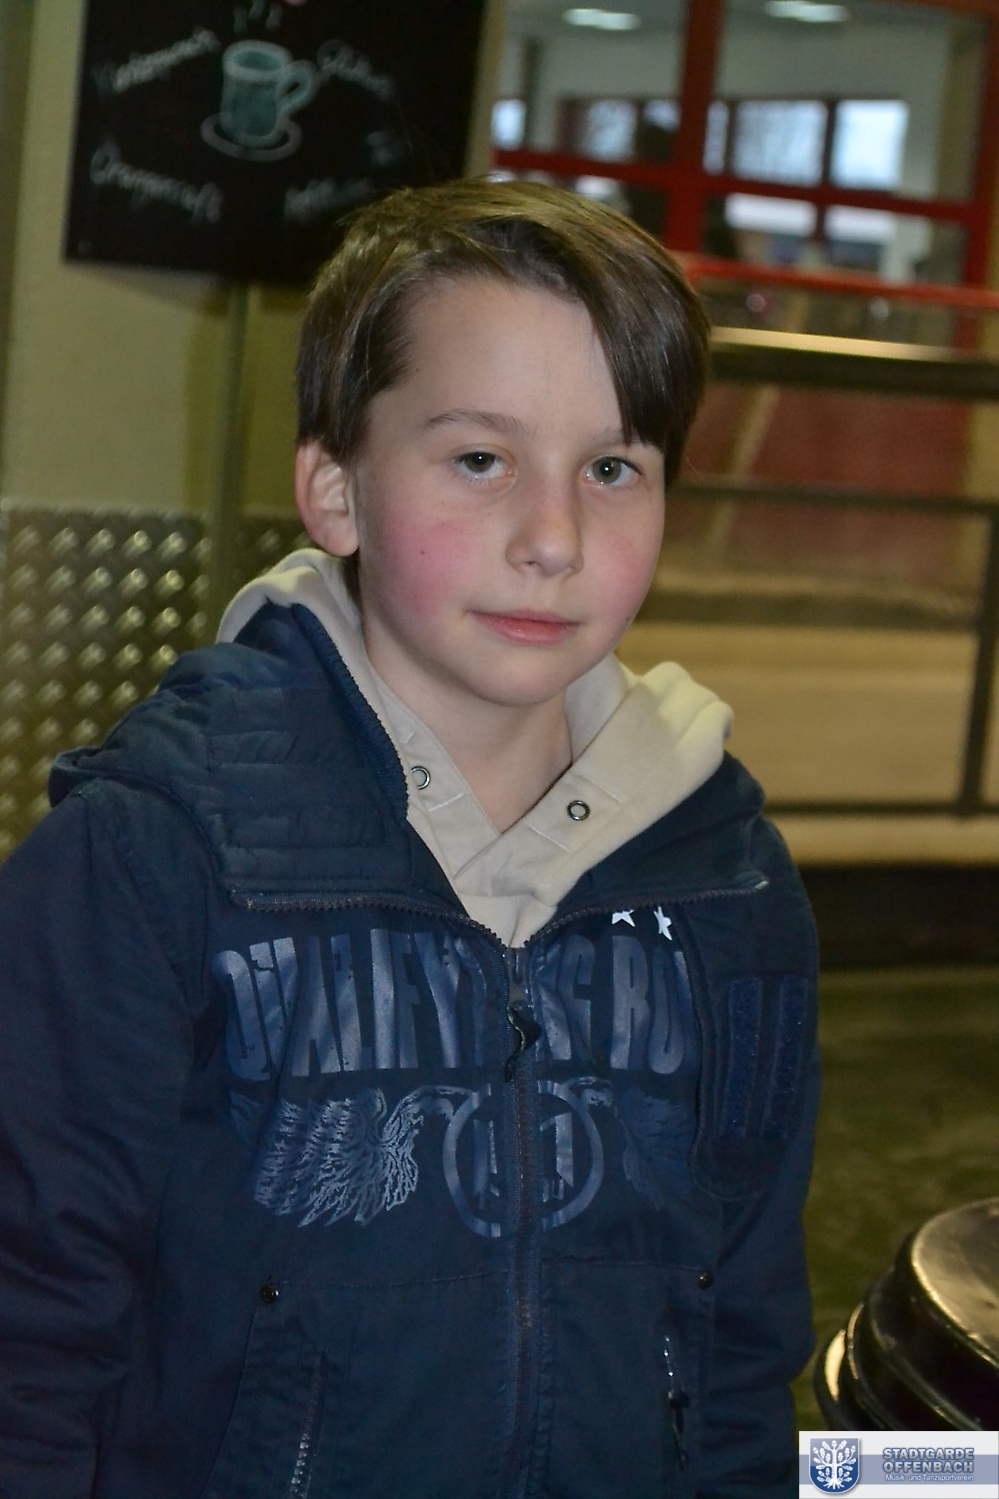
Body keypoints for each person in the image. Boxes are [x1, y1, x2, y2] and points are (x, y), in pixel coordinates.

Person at [0, 179, 818, 1499]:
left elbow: (742, 1342)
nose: (553, 539)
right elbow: (27, 1330)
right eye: (480, 459)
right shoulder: (152, 857)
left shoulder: (728, 880)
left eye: (612, 468)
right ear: (335, 491)